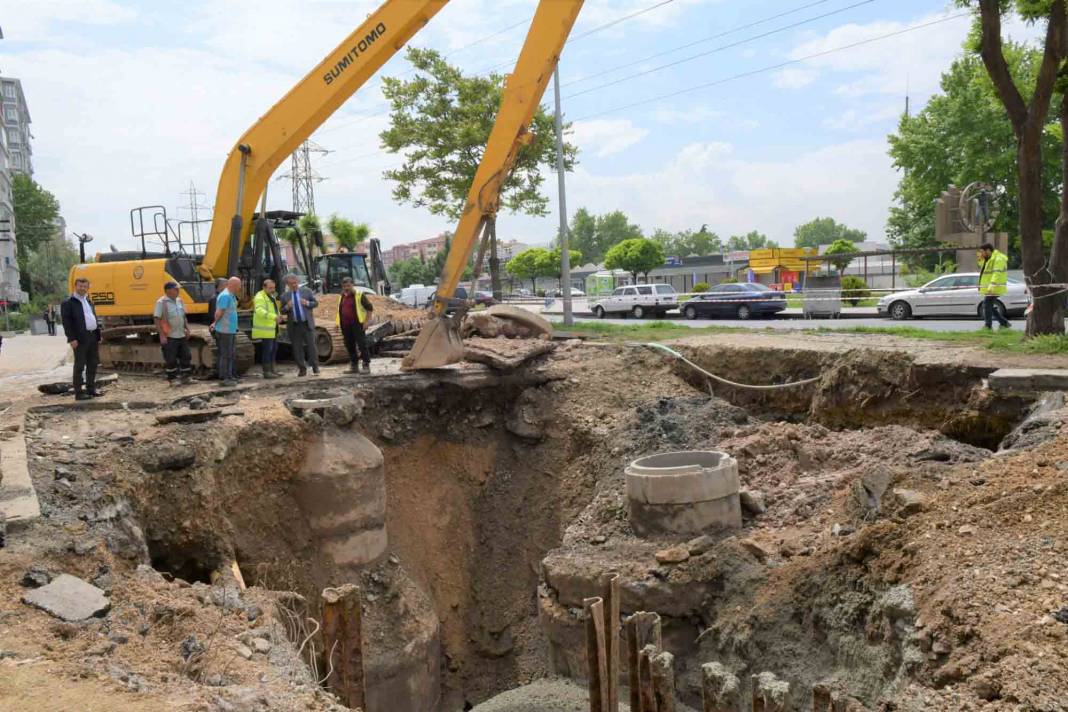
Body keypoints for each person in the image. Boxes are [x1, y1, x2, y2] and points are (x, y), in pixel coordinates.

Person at [60, 276, 103, 401]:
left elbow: (93, 318)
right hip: (79, 339)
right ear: (75, 286)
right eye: (80, 286)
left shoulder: (88, 301)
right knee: (79, 366)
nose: (83, 288)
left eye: (85, 286)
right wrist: (71, 339)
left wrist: (98, 336)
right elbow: (66, 322)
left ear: (88, 287)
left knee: (93, 364)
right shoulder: (68, 302)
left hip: (92, 336)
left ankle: (91, 389)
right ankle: (79, 393)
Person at [279, 274, 320, 376]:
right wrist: (287, 307)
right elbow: (282, 311)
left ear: (297, 281)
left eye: (295, 283)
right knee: (297, 348)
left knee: (312, 346)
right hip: (294, 325)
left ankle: (315, 368)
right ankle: (302, 369)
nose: (294, 285)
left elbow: (315, 303)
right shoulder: (285, 296)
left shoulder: (307, 291)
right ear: (287, 284)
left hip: (307, 324)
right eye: (291, 283)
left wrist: (307, 303)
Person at [153, 281, 192, 386]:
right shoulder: (161, 303)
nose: (178, 291)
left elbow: (183, 316)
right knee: (171, 358)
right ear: (168, 291)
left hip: (181, 334)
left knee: (186, 356)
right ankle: (172, 379)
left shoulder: (180, 301)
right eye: (176, 289)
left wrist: (187, 329)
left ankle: (186, 377)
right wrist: (161, 335)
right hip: (169, 335)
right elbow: (157, 319)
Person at [336, 277, 374, 373]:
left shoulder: (359, 295)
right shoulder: (342, 296)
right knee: (349, 345)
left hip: (358, 324)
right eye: (344, 286)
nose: (346, 288)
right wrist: (337, 323)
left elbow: (370, 308)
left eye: (348, 285)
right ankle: (354, 366)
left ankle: (366, 365)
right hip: (346, 325)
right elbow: (340, 311)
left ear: (352, 285)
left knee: (362, 344)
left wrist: (366, 322)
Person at [252, 277, 283, 379]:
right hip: (266, 330)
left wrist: (279, 316)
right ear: (264, 287)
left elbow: (273, 309)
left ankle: (272, 370)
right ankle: (267, 372)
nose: (272, 290)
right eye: (270, 288)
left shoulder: (271, 296)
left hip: (273, 328)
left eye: (273, 288)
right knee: (267, 350)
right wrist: (274, 317)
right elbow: (260, 311)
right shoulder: (260, 297)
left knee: (273, 349)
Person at [214, 276, 242, 387]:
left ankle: (230, 376)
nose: (240, 287)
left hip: (230, 329)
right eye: (239, 285)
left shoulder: (231, 296)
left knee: (231, 354)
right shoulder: (225, 296)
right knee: (225, 355)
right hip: (224, 330)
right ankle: (224, 378)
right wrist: (215, 324)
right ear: (234, 285)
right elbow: (219, 313)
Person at [978, 242, 1011, 330]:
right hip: (991, 287)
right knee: (988, 305)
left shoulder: (998, 259)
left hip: (995, 286)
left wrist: (992, 285)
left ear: (988, 250)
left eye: (982, 252)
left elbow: (997, 273)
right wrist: (980, 259)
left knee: (987, 304)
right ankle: (1004, 323)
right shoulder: (989, 259)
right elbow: (984, 271)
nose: (981, 254)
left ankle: (988, 326)